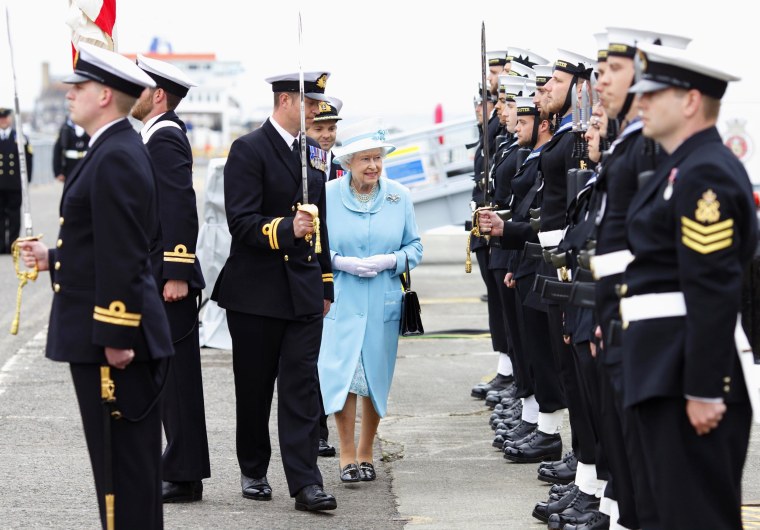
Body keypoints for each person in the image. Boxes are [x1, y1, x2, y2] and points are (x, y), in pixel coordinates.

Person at [17, 43, 172, 529]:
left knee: (122, 477)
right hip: (109, 335)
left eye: (78, 87)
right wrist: (53, 258)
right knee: (124, 473)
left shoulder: (115, 155)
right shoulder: (110, 148)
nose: (69, 94)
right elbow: (102, 244)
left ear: (104, 95)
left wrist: (116, 336)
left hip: (114, 342)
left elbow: (126, 252)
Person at [620, 43, 757, 530]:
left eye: (653, 94)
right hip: (659, 368)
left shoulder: (706, 173)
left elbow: (712, 286)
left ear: (691, 101)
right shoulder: (681, 168)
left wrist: (705, 387)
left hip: (684, 375)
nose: (641, 104)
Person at [211, 71, 337, 512]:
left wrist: (325, 284)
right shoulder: (248, 150)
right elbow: (241, 222)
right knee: (255, 386)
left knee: (301, 389)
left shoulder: (311, 157)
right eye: (308, 103)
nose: (316, 111)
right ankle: (253, 467)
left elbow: (321, 229)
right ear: (285, 101)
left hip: (302, 293)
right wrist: (287, 228)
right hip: (256, 293)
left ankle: (306, 483)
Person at [317, 118, 422, 483]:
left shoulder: (399, 196)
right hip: (342, 299)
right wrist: (338, 261)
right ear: (348, 163)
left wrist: (390, 261)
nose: (373, 166)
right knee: (344, 376)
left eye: (377, 158)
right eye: (365, 159)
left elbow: (415, 247)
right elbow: (313, 245)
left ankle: (366, 453)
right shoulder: (327, 194)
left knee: (375, 377)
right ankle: (346, 455)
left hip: (383, 299)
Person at [133, 54, 210, 503]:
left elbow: (180, 206)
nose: (133, 95)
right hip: (158, 272)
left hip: (168, 277)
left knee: (177, 378)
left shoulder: (164, 138)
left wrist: (177, 270)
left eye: (139, 88)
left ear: (158, 95)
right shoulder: (153, 135)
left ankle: (183, 475)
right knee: (167, 377)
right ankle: (179, 467)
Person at [0, 106, 32, 254]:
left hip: (14, 184)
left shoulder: (19, 137)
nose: (3, 121)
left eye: (5, 118)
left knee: (14, 216)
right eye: (1, 118)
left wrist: (26, 181)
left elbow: (28, 159)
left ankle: (13, 245)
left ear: (10, 119)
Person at [307, 96, 343, 181]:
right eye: (318, 129)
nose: (326, 135)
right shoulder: (296, 163)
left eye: (331, 129)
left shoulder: (344, 168)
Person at [53, 115, 89, 182]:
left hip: (87, 165)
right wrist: (58, 172)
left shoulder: (90, 126)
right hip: (69, 167)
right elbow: (57, 150)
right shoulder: (65, 128)